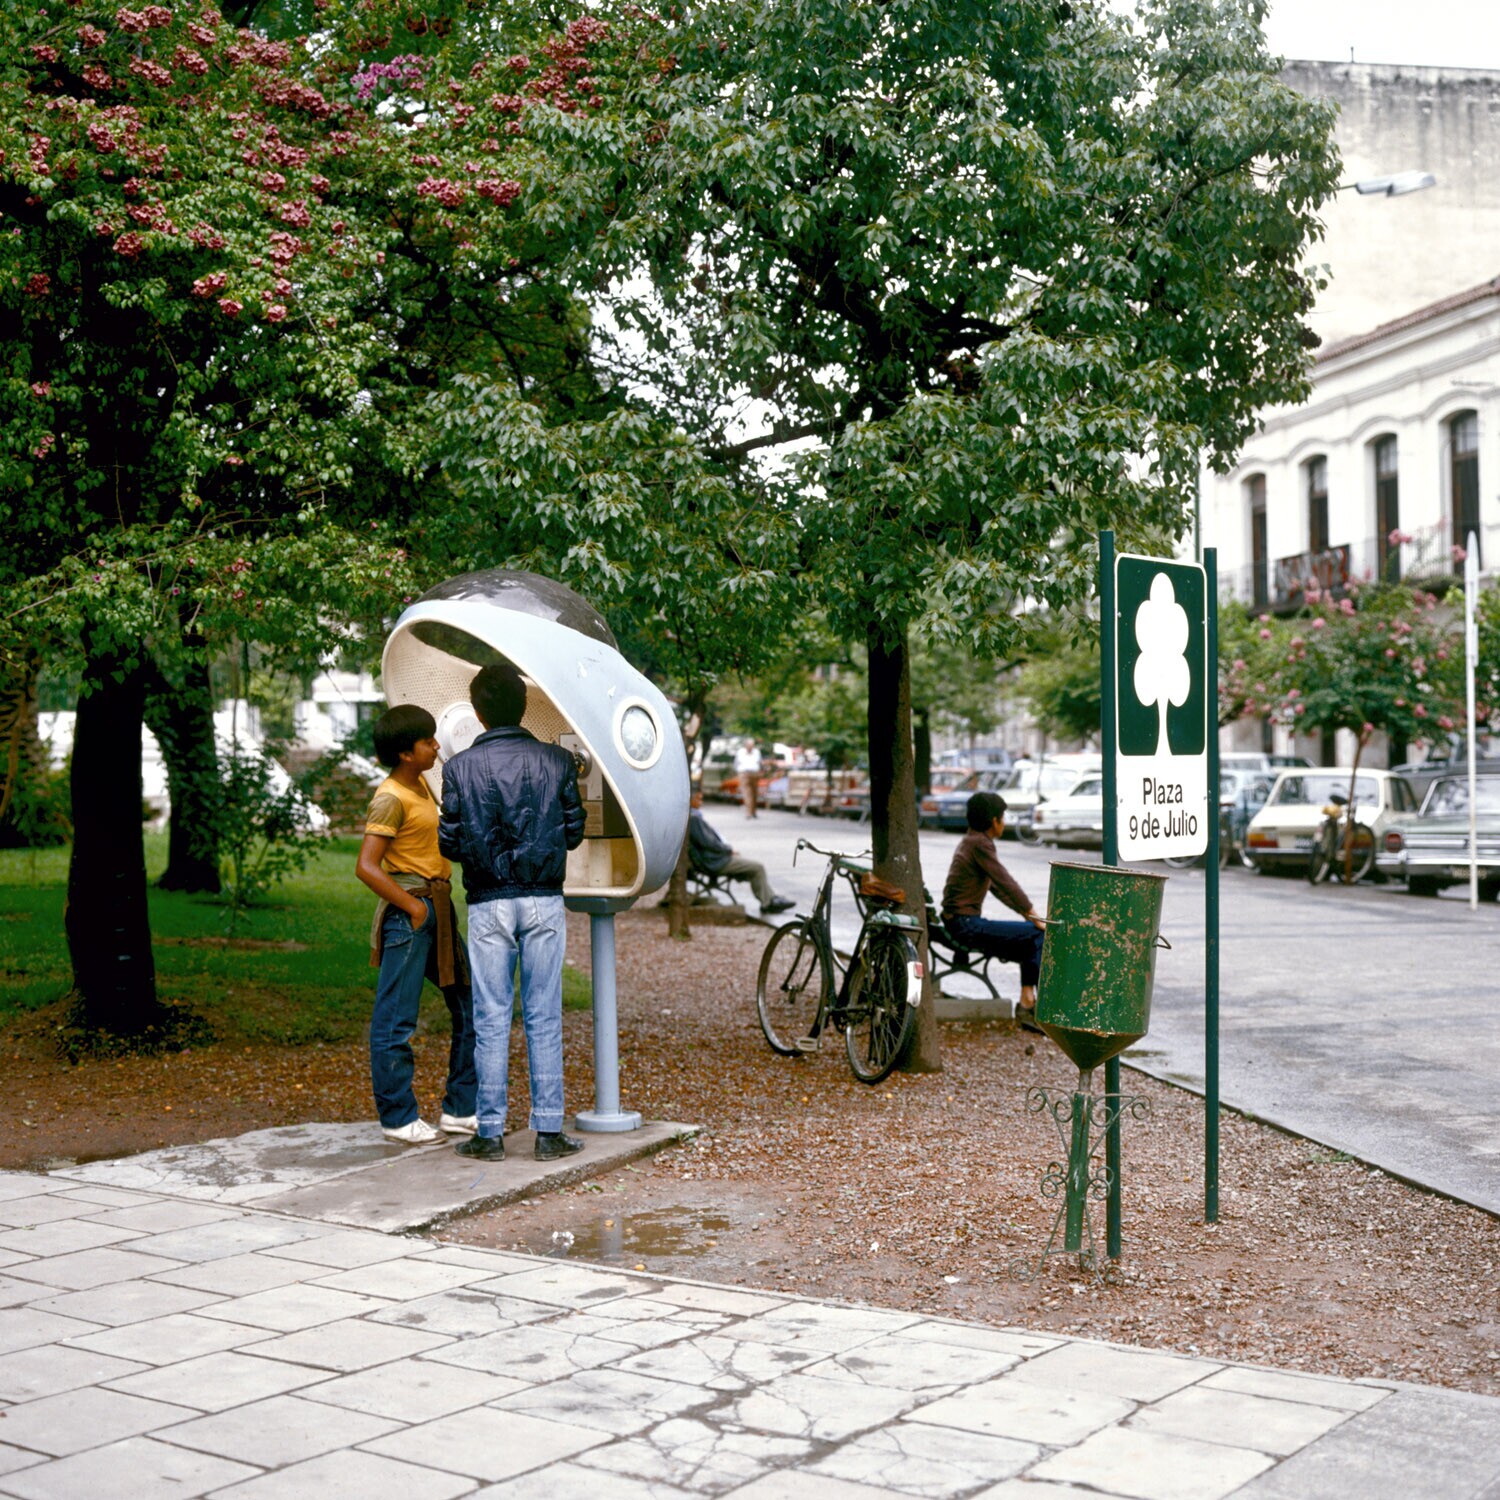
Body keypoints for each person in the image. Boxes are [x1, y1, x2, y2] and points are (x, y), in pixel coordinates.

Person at [438, 662, 587, 1163]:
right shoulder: (557, 761)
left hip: (487, 900)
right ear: (524, 707)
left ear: (477, 714)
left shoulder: (458, 769)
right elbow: (573, 832)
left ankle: (490, 1133)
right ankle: (549, 1132)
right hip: (543, 897)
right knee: (544, 1015)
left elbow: (450, 842)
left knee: (491, 1016)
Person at [356, 705, 477, 1145]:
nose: (436, 746)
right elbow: (366, 866)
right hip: (412, 915)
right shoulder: (391, 796)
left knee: (472, 1007)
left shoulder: (421, 783)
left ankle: (460, 1110)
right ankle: (398, 1117)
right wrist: (414, 908)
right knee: (395, 1019)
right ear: (406, 753)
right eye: (427, 742)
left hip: (437, 907)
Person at [940, 790, 1046, 1032]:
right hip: (965, 925)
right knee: (1037, 935)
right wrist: (1033, 916)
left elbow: (998, 889)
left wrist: (1028, 916)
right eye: (1003, 817)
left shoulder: (971, 841)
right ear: (994, 821)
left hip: (959, 922)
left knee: (1029, 937)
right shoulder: (980, 844)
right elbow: (1006, 881)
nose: (1004, 822)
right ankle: (1030, 1005)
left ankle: (1027, 1002)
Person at [688, 791, 794, 914]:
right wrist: (728, 850)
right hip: (713, 861)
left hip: (711, 859)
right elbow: (709, 843)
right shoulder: (694, 818)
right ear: (690, 800)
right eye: (698, 799)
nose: (701, 802)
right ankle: (768, 902)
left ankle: (770, 897)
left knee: (750, 866)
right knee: (757, 867)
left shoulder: (692, 816)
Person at [734, 741, 762, 819]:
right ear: (745, 745)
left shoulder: (757, 752)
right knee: (747, 793)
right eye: (749, 745)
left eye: (752, 745)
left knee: (754, 793)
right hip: (744, 773)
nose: (750, 747)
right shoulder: (740, 752)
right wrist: (739, 773)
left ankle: (753, 811)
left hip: (754, 773)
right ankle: (749, 812)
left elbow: (760, 763)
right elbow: (736, 763)